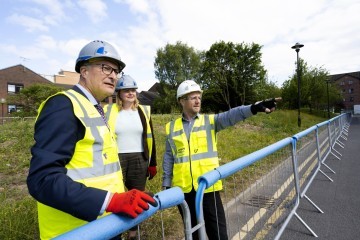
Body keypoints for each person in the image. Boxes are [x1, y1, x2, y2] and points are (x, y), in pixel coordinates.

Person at [27, 40, 157, 240]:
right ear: (84, 71)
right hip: (75, 231)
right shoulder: (63, 106)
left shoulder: (95, 109)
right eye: (106, 67)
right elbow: (42, 180)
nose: (113, 75)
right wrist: (110, 201)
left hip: (103, 224)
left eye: (116, 70)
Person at [162, 80, 279, 240]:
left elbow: (232, 115)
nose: (198, 101)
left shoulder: (210, 122)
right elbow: (169, 156)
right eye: (193, 97)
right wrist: (166, 182)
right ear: (181, 101)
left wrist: (253, 108)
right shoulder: (171, 127)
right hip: (185, 191)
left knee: (218, 233)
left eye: (199, 97)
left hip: (208, 188)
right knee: (193, 234)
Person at [104, 74, 157, 239]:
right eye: (126, 90)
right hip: (116, 160)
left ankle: (133, 233)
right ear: (118, 93)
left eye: (133, 90)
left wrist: (152, 162)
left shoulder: (143, 111)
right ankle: (114, 232)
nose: (130, 93)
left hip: (139, 159)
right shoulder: (108, 111)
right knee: (117, 198)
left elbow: (151, 138)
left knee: (137, 197)